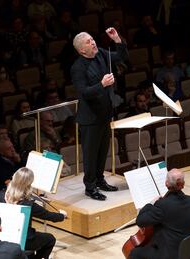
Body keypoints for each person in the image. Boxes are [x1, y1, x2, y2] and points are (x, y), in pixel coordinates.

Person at [71, 27, 128, 200]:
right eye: (89, 42)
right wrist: (102, 84)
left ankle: (100, 180)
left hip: (105, 114)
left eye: (92, 39)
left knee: (103, 151)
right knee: (91, 154)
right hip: (90, 118)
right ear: (82, 50)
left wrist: (117, 39)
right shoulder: (78, 67)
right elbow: (83, 92)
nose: (93, 42)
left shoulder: (101, 53)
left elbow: (122, 56)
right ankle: (90, 186)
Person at [129, 168, 190, 259]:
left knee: (135, 253)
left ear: (166, 183)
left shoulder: (162, 205)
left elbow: (140, 221)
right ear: (183, 184)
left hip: (171, 255)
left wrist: (150, 204)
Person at [1, 167, 67, 259]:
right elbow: (49, 216)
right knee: (50, 239)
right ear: (28, 184)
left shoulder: (2, 195)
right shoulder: (28, 204)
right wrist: (62, 215)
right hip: (24, 239)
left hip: (4, 235)